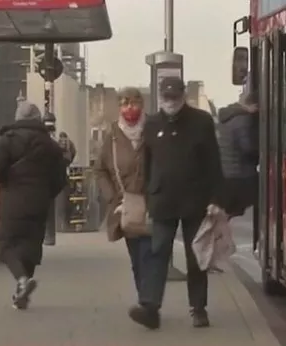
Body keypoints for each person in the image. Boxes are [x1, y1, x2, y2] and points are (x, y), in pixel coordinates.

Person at [132, 77, 223, 330]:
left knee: (195, 256)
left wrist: (216, 199)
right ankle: (150, 307)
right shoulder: (152, 124)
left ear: (183, 96)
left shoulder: (201, 122)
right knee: (157, 252)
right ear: (160, 97)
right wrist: (147, 196)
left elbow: (214, 163)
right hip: (162, 200)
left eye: (174, 97)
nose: (170, 102)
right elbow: (147, 164)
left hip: (196, 200)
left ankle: (198, 308)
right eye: (166, 97)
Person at [0, 100, 69, 309]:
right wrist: (46, 194)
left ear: (18, 118)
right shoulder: (51, 146)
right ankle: (22, 293)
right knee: (30, 247)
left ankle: (22, 280)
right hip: (40, 203)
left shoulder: (8, 140)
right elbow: (60, 179)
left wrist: (6, 180)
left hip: (13, 200)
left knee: (4, 244)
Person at [91, 87, 148, 299]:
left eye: (134, 103)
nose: (130, 108)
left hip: (152, 203)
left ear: (142, 105)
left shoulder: (152, 131)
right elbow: (100, 170)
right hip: (127, 207)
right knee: (138, 258)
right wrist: (112, 197)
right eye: (125, 104)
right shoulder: (113, 136)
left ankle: (149, 298)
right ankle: (146, 298)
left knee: (152, 256)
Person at [217, 92, 258, 219]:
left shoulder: (228, 116)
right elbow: (247, 147)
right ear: (253, 105)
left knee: (229, 211)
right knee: (264, 192)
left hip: (227, 173)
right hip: (241, 174)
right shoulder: (243, 119)